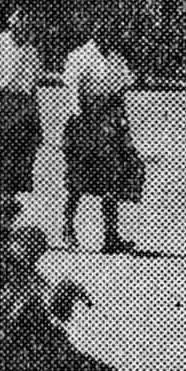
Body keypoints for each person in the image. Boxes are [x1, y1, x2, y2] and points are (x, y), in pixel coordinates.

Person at [61, 21, 139, 252]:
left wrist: (121, 121)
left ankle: (110, 236)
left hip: (109, 123)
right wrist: (83, 124)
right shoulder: (80, 56)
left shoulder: (116, 59)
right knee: (78, 178)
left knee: (112, 178)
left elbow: (121, 90)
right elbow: (73, 95)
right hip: (84, 121)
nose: (108, 37)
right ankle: (67, 229)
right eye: (103, 32)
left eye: (111, 33)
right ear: (94, 33)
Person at [0, 6, 45, 200]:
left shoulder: (32, 52)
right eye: (19, 25)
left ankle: (15, 186)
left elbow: (33, 87)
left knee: (30, 140)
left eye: (27, 26)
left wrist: (35, 113)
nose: (23, 30)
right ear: (12, 25)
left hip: (22, 103)